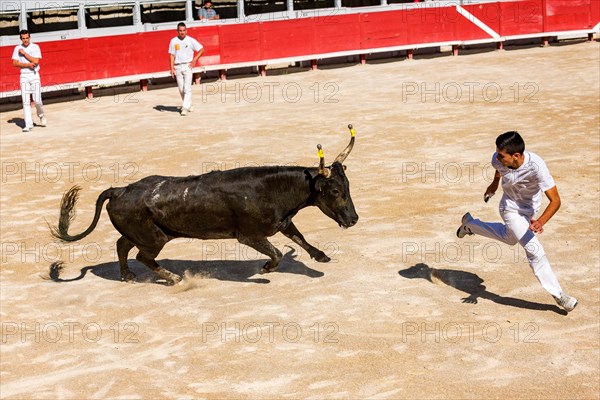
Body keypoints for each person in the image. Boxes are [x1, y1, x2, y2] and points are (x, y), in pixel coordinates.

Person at [456, 131, 578, 312]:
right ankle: (559, 296)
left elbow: (556, 201)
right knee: (534, 249)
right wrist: (494, 185)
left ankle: (470, 224)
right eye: (497, 153)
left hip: (530, 210)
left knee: (509, 238)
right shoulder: (497, 160)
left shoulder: (537, 166)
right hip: (510, 209)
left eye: (501, 155)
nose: (497, 157)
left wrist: (541, 221)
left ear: (516, 156)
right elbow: (499, 170)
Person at [12, 30, 47, 133]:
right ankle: (28, 124)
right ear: (21, 39)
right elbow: (14, 63)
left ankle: (41, 115)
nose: (25, 40)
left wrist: (24, 54)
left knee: (37, 100)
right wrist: (27, 65)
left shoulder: (35, 47)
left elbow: (36, 61)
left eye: (27, 38)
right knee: (25, 101)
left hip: (34, 75)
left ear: (30, 38)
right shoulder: (17, 48)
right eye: (23, 38)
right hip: (24, 75)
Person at [168, 22, 204, 116]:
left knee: (187, 88)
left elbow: (201, 49)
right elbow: (171, 55)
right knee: (181, 89)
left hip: (188, 66)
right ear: (177, 31)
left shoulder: (190, 40)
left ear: (186, 31)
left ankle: (184, 108)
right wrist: (172, 68)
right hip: (177, 66)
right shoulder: (173, 41)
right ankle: (189, 104)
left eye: (184, 30)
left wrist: (194, 60)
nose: (182, 32)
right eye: (180, 31)